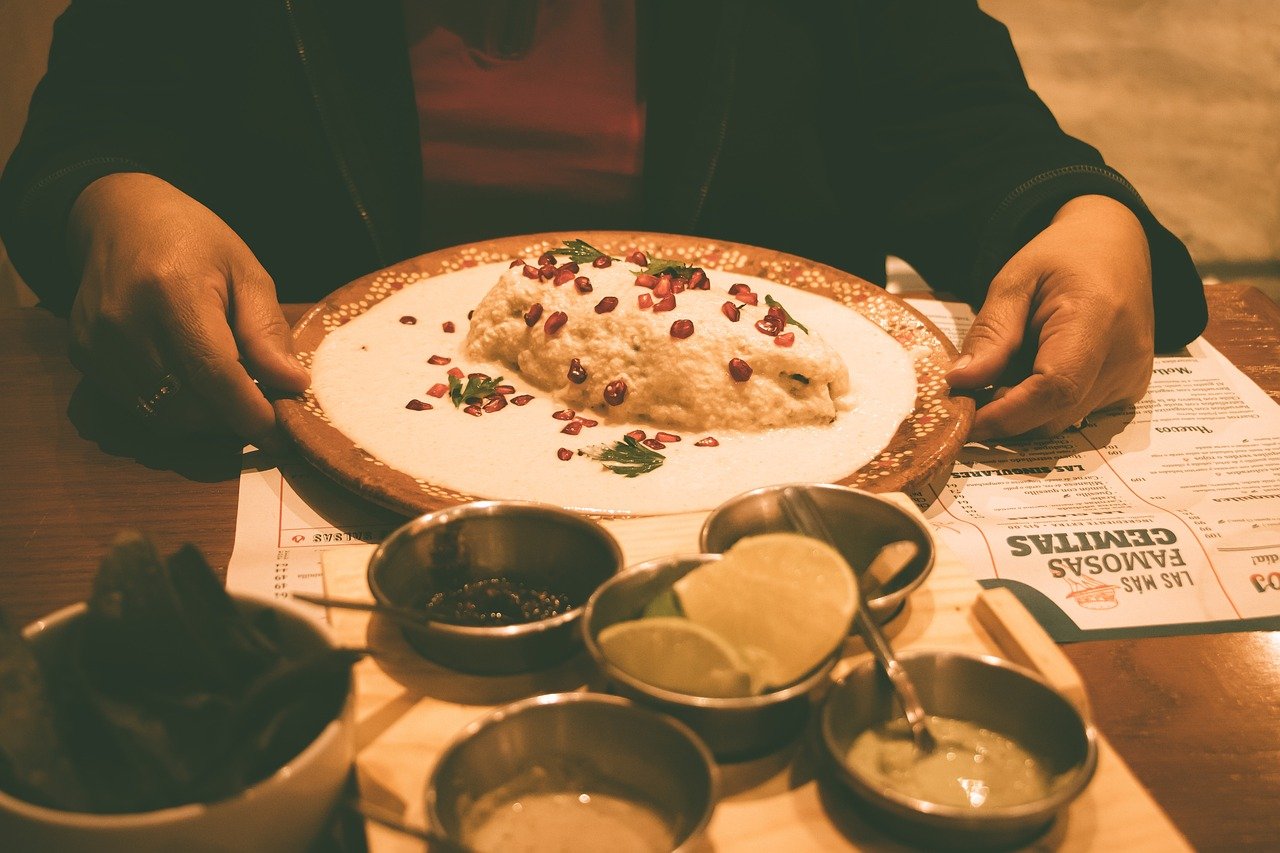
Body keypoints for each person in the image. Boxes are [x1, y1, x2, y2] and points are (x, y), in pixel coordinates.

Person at [0, 0, 1208, 450]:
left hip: (773, 511)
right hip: (303, 481)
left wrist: (1078, 213)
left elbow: (974, 132)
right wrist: (108, 202)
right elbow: (82, 144)